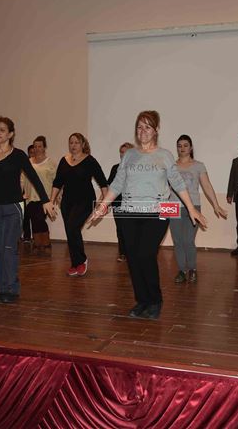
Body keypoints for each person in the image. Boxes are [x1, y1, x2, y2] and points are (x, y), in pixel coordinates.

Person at [88, 111, 207, 320]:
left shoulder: (165, 155)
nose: (143, 131)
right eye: (139, 127)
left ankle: (155, 300)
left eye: (147, 127)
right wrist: (102, 207)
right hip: (130, 211)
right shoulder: (129, 155)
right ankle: (142, 300)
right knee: (133, 257)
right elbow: (117, 184)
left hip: (157, 211)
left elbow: (178, 183)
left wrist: (191, 208)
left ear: (156, 130)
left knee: (146, 254)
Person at [0, 117, 56, 303]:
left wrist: (46, 200)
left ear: (10, 134)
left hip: (13, 208)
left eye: (2, 130)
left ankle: (12, 289)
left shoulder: (19, 155)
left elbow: (33, 177)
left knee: (8, 248)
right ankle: (2, 288)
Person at [170, 135, 227, 284]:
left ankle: (192, 269)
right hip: (172, 206)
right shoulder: (171, 165)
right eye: (179, 146)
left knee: (188, 240)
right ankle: (182, 271)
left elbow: (207, 185)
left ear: (191, 148)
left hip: (193, 207)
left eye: (185, 145)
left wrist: (216, 205)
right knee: (177, 241)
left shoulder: (199, 166)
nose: (182, 148)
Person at [51, 133, 108, 277]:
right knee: (70, 231)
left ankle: (82, 260)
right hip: (67, 202)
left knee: (72, 227)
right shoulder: (64, 160)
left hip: (85, 200)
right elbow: (57, 182)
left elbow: (102, 181)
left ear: (83, 144)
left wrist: (104, 203)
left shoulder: (90, 160)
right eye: (71, 142)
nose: (73, 145)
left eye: (77, 142)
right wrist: (51, 201)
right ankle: (75, 264)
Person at [23, 136, 57, 254]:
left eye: (40, 146)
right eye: (35, 146)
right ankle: (37, 244)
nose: (37, 149)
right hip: (30, 197)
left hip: (44, 198)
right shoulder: (28, 162)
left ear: (44, 148)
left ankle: (46, 243)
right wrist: (22, 192)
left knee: (40, 219)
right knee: (34, 220)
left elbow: (56, 181)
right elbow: (22, 178)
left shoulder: (51, 162)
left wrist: (56, 197)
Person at [107, 142, 134, 262]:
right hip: (118, 203)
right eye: (121, 152)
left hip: (132, 204)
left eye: (126, 152)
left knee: (131, 229)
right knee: (120, 228)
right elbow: (110, 186)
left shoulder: (136, 168)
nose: (123, 154)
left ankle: (132, 252)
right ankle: (122, 253)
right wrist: (105, 202)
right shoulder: (115, 168)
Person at [22, 144, 36, 243]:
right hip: (25, 194)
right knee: (25, 216)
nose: (32, 154)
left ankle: (37, 237)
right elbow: (21, 179)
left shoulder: (39, 165)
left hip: (35, 195)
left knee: (35, 218)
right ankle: (27, 236)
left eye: (34, 152)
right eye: (31, 153)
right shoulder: (24, 164)